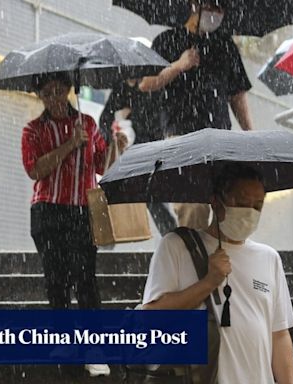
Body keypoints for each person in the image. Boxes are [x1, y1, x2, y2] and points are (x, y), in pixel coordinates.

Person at [142, 163, 293, 384]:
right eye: (241, 202)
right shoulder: (177, 246)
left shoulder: (269, 258)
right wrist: (208, 282)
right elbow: (150, 318)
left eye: (258, 205)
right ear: (216, 200)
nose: (250, 211)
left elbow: (279, 335)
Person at [21, 72, 112, 377]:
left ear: (70, 90)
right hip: (47, 212)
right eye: (47, 94)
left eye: (59, 91)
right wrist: (71, 144)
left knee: (86, 281)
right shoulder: (33, 130)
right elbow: (35, 170)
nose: (54, 99)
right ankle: (65, 348)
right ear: (39, 97)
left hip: (81, 212)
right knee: (56, 281)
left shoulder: (87, 123)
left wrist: (116, 148)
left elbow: (103, 167)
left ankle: (94, 348)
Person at [138, 0, 254, 231]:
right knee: (192, 207)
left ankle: (222, 261)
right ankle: (194, 260)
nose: (217, 14)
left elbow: (237, 94)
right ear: (196, 6)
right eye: (213, 7)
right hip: (181, 137)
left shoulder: (225, 45)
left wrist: (250, 134)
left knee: (229, 208)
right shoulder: (167, 40)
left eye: (221, 9)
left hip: (221, 137)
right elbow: (146, 83)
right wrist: (178, 66)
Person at [99, 78, 178, 236]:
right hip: (128, 156)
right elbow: (104, 121)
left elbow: (157, 123)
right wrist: (118, 121)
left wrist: (132, 114)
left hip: (149, 153)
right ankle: (171, 235)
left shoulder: (152, 85)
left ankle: (172, 236)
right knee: (146, 199)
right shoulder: (120, 89)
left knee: (154, 200)